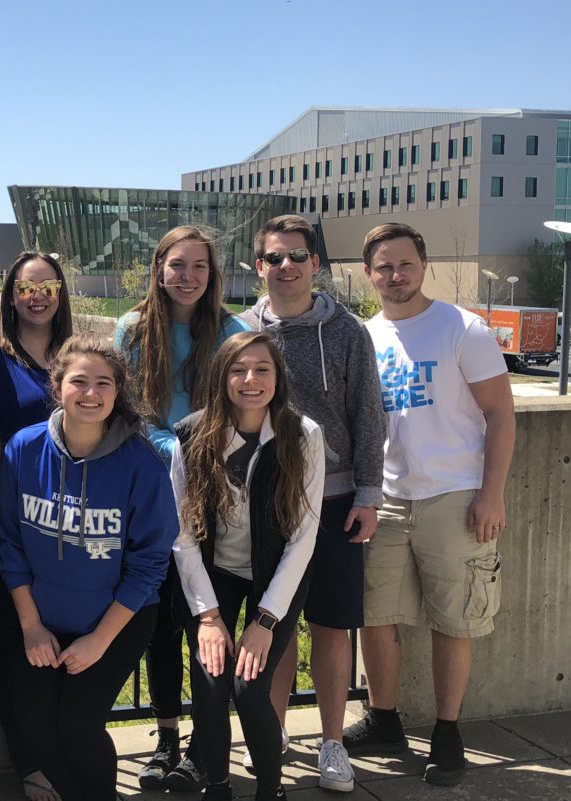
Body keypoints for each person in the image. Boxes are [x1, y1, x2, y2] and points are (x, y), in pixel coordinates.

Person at [348, 223, 514, 786]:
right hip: (387, 498)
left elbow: (500, 414)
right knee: (375, 616)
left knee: (454, 620)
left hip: (456, 495)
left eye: (405, 264)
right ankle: (384, 718)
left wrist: (491, 493)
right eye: (383, 267)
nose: (395, 275)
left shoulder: (462, 329)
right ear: (368, 274)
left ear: (423, 265)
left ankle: (447, 730)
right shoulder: (364, 335)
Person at [0, 332, 178, 801]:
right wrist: (32, 627)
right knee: (34, 726)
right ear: (57, 387)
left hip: (116, 619)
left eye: (104, 383)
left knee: (78, 725)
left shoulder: (142, 463)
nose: (91, 393)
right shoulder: (22, 449)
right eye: (79, 381)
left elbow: (150, 564)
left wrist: (99, 640)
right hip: (44, 619)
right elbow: (10, 545)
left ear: (118, 392)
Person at [241, 214, 385, 792]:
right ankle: (271, 730)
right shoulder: (240, 331)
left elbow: (369, 418)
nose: (287, 267)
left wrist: (369, 494)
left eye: (298, 256)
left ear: (316, 264)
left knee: (332, 625)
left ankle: (330, 743)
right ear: (259, 266)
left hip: (336, 498)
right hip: (268, 499)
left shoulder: (348, 332)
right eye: (275, 258)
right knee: (272, 623)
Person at [113, 225, 249, 791]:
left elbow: (246, 405)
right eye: (177, 265)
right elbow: (123, 409)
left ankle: (204, 742)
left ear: (212, 274)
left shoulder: (233, 332)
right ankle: (166, 737)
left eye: (199, 266)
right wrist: (169, 445)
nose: (187, 276)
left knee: (205, 624)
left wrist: (195, 446)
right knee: (159, 627)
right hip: (149, 496)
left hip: (212, 497)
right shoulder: (131, 329)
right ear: (159, 268)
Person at [172, 330, 325, 801]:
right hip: (212, 573)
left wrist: (264, 620)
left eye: (262, 369)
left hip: (273, 573)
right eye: (238, 370)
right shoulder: (191, 434)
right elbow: (182, 537)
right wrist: (209, 618)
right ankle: (217, 785)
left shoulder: (303, 435)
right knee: (211, 678)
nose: (250, 379)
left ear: (278, 378)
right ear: (221, 378)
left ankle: (270, 789)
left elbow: (303, 538)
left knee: (249, 684)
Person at [0, 251, 73, 801]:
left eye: (48, 286)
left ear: (61, 294)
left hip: (70, 529)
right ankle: (31, 767)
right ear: (11, 296)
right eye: (26, 287)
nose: (37, 295)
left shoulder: (74, 355)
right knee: (15, 653)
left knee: (65, 648)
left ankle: (65, 754)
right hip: (9, 526)